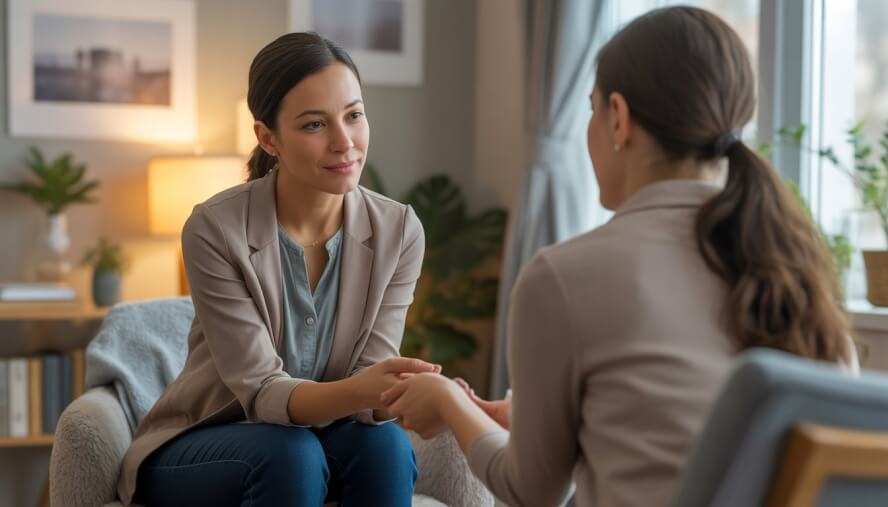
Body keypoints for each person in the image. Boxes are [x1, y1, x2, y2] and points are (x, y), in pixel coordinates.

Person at [381, 7, 858, 507]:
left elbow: (532, 491)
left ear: (619, 117)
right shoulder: (799, 275)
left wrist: (451, 405)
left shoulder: (564, 275)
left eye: (590, 109)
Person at [118, 32, 439, 507]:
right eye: (314, 125)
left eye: (354, 115)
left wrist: (405, 392)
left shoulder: (399, 231)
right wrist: (365, 391)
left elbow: (371, 384)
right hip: (206, 443)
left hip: (320, 439)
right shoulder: (214, 228)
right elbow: (262, 392)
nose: (344, 142)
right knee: (290, 453)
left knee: (386, 446)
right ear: (269, 137)